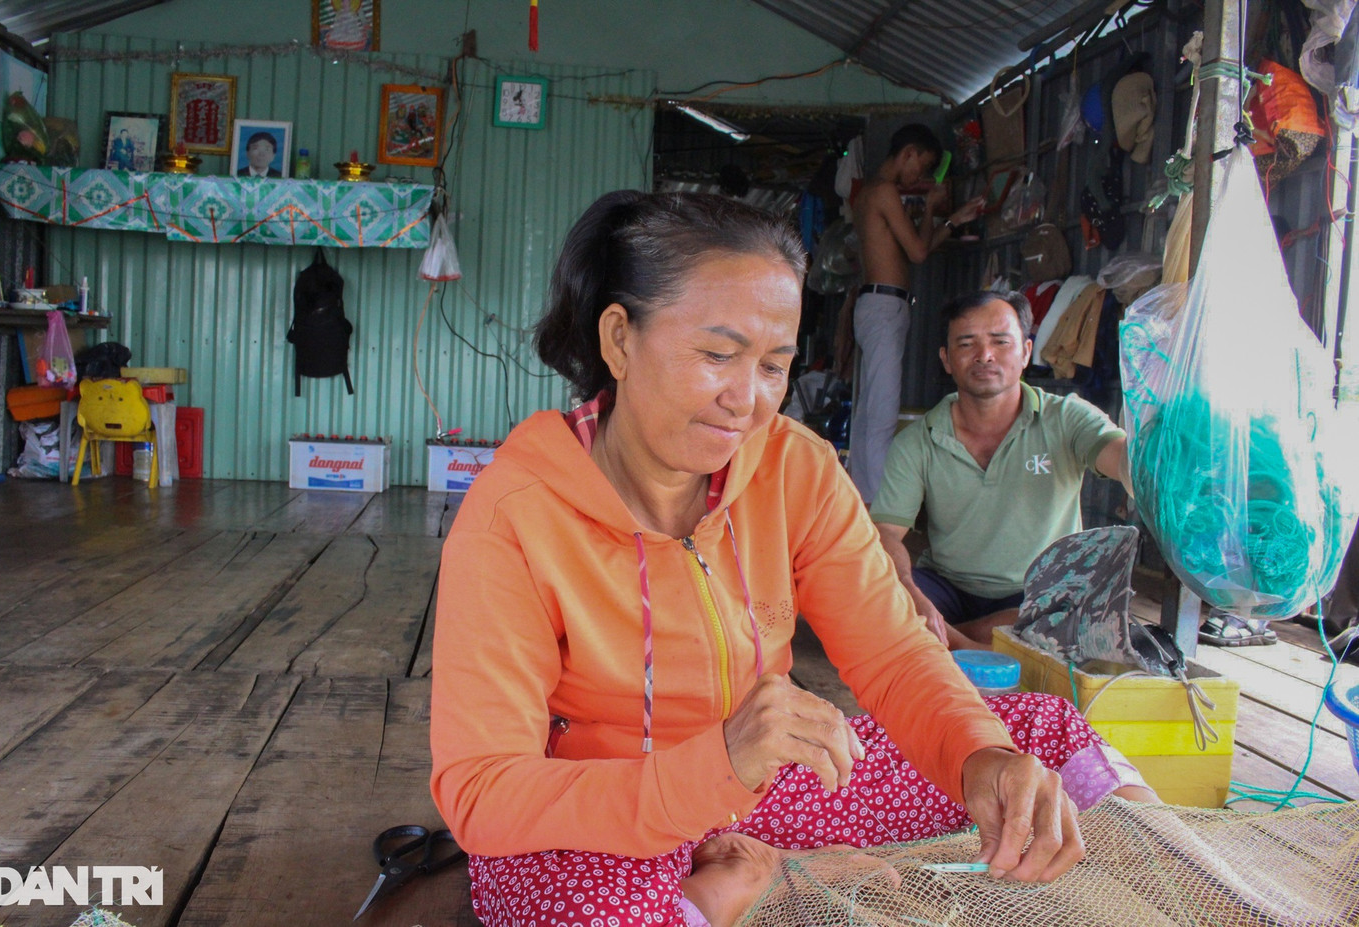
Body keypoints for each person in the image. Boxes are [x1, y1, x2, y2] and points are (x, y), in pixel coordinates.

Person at [427, 192, 1155, 927]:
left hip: (768, 788)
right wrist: (712, 769)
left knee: (1035, 742)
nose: (746, 400)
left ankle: (1202, 888)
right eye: (717, 354)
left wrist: (979, 761)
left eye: (774, 365)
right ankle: (742, 886)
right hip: (596, 822)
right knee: (577, 910)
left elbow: (895, 655)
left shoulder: (793, 467)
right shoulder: (513, 515)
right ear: (620, 339)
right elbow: (483, 791)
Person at [871, 290, 1132, 651]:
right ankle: (986, 646)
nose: (985, 355)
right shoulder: (919, 440)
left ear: (1026, 352)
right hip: (946, 585)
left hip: (1038, 593)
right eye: (967, 344)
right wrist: (912, 594)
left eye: (1000, 341)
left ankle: (949, 644)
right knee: (874, 599)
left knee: (1066, 613)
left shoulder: (1067, 418)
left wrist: (1156, 458)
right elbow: (885, 532)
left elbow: (1121, 459)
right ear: (947, 359)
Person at [848, 124, 984, 504]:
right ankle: (877, 506)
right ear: (907, 153)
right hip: (884, 304)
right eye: (920, 166)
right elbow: (919, 253)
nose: (919, 177)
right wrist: (928, 209)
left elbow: (914, 247)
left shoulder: (868, 194)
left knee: (869, 411)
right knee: (882, 413)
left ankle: (860, 495)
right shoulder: (884, 191)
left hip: (878, 304)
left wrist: (952, 220)